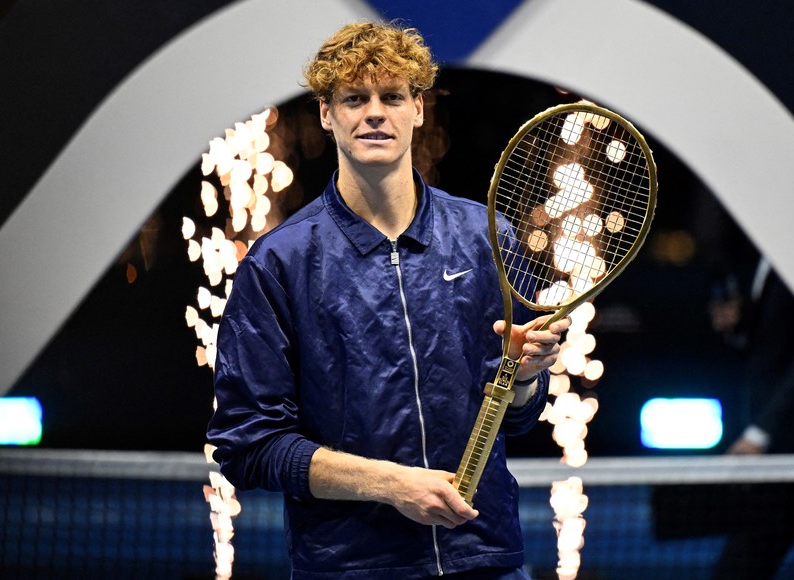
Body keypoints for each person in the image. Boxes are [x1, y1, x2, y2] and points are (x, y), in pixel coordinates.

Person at [206, 22, 569, 578]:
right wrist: (391, 485)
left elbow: (514, 420)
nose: (374, 112)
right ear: (327, 115)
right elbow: (248, 445)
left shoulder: (483, 237)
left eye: (392, 96)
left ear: (417, 110)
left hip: (486, 557)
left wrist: (521, 379)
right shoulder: (278, 264)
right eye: (355, 98)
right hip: (353, 566)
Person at [711, 258, 794, 578]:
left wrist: (760, 434)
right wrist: (737, 326)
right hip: (782, 457)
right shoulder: (761, 260)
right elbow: (774, 348)